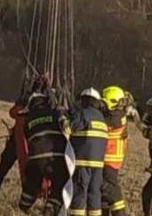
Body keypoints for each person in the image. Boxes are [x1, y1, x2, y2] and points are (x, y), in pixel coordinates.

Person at [20, 92, 70, 216]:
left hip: (34, 159)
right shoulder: (54, 113)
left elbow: (27, 136)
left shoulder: (28, 119)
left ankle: (23, 205)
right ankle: (50, 208)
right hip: (54, 159)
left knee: (32, 182)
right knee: (61, 181)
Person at [66, 88, 109, 216]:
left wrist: (63, 116)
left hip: (82, 163)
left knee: (80, 193)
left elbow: (67, 128)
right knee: (94, 194)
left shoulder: (82, 114)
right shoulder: (102, 118)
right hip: (98, 165)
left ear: (84, 101)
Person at [0, 99, 28, 198]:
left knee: (3, 167)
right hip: (29, 141)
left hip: (18, 138)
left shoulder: (26, 99)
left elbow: (13, 112)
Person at [101, 86, 132, 216]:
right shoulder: (120, 115)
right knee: (104, 192)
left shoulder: (112, 119)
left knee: (110, 189)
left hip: (109, 159)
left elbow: (98, 122)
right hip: (113, 159)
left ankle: (120, 213)